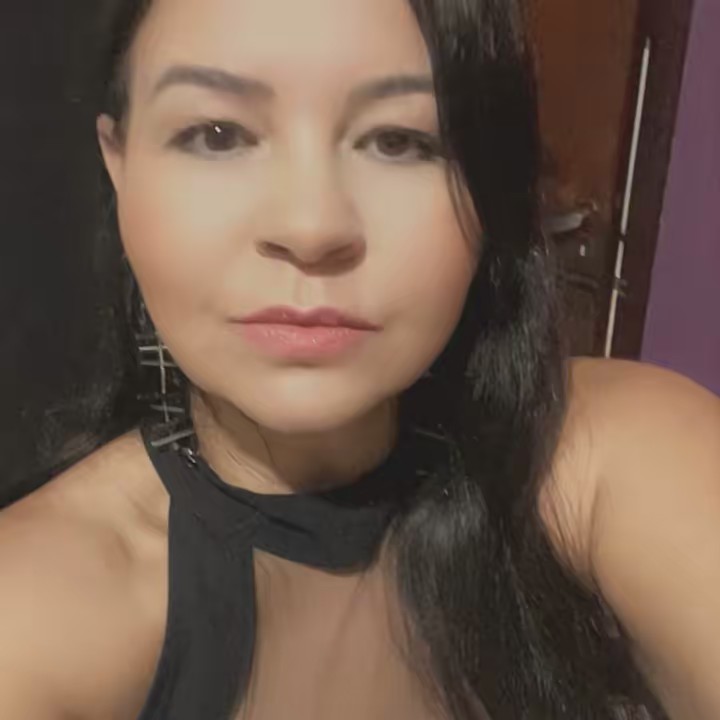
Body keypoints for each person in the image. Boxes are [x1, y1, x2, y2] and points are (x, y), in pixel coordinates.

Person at [0, 0, 719, 718]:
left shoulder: (609, 451)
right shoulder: (33, 620)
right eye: (218, 134)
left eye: (399, 141)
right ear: (119, 164)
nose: (311, 227)